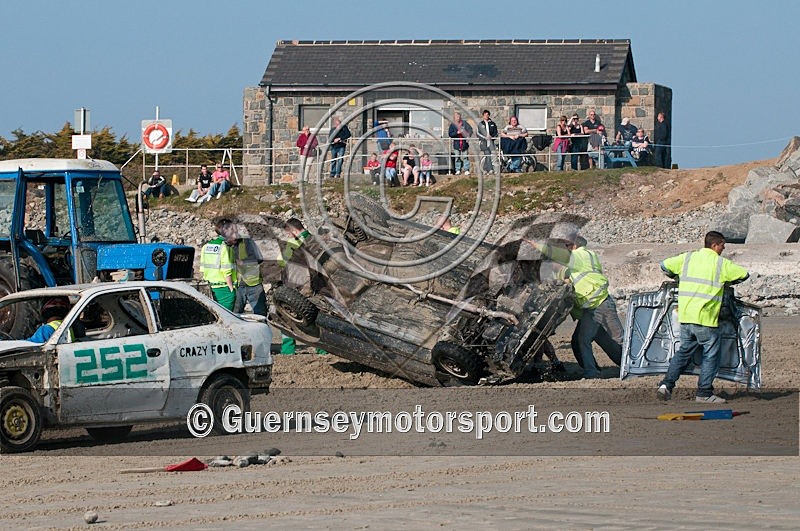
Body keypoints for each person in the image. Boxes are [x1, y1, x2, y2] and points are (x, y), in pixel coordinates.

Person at [657, 231, 749, 403]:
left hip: (686, 316)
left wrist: (677, 277)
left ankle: (666, 385)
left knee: (683, 352)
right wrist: (727, 283)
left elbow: (664, 266)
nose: (723, 249)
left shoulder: (688, 258)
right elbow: (744, 274)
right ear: (715, 245)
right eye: (722, 246)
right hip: (706, 318)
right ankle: (704, 393)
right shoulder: (720, 263)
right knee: (711, 355)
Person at [527, 232, 623, 379]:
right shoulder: (577, 264)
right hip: (593, 307)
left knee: (614, 339)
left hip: (599, 304)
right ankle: (611, 368)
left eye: (567, 245)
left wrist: (536, 245)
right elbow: (562, 273)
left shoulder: (582, 255)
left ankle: (602, 371)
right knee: (596, 341)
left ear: (575, 245)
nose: (565, 249)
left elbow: (560, 257)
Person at [200, 218, 238, 311]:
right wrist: (231, 289)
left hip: (209, 287)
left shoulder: (206, 246)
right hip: (224, 289)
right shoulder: (225, 248)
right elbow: (226, 270)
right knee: (226, 317)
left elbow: (202, 269)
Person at [233, 226, 267, 316]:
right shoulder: (228, 245)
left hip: (253, 284)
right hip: (238, 285)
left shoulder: (247, 242)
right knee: (235, 314)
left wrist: (243, 262)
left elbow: (259, 259)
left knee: (260, 314)